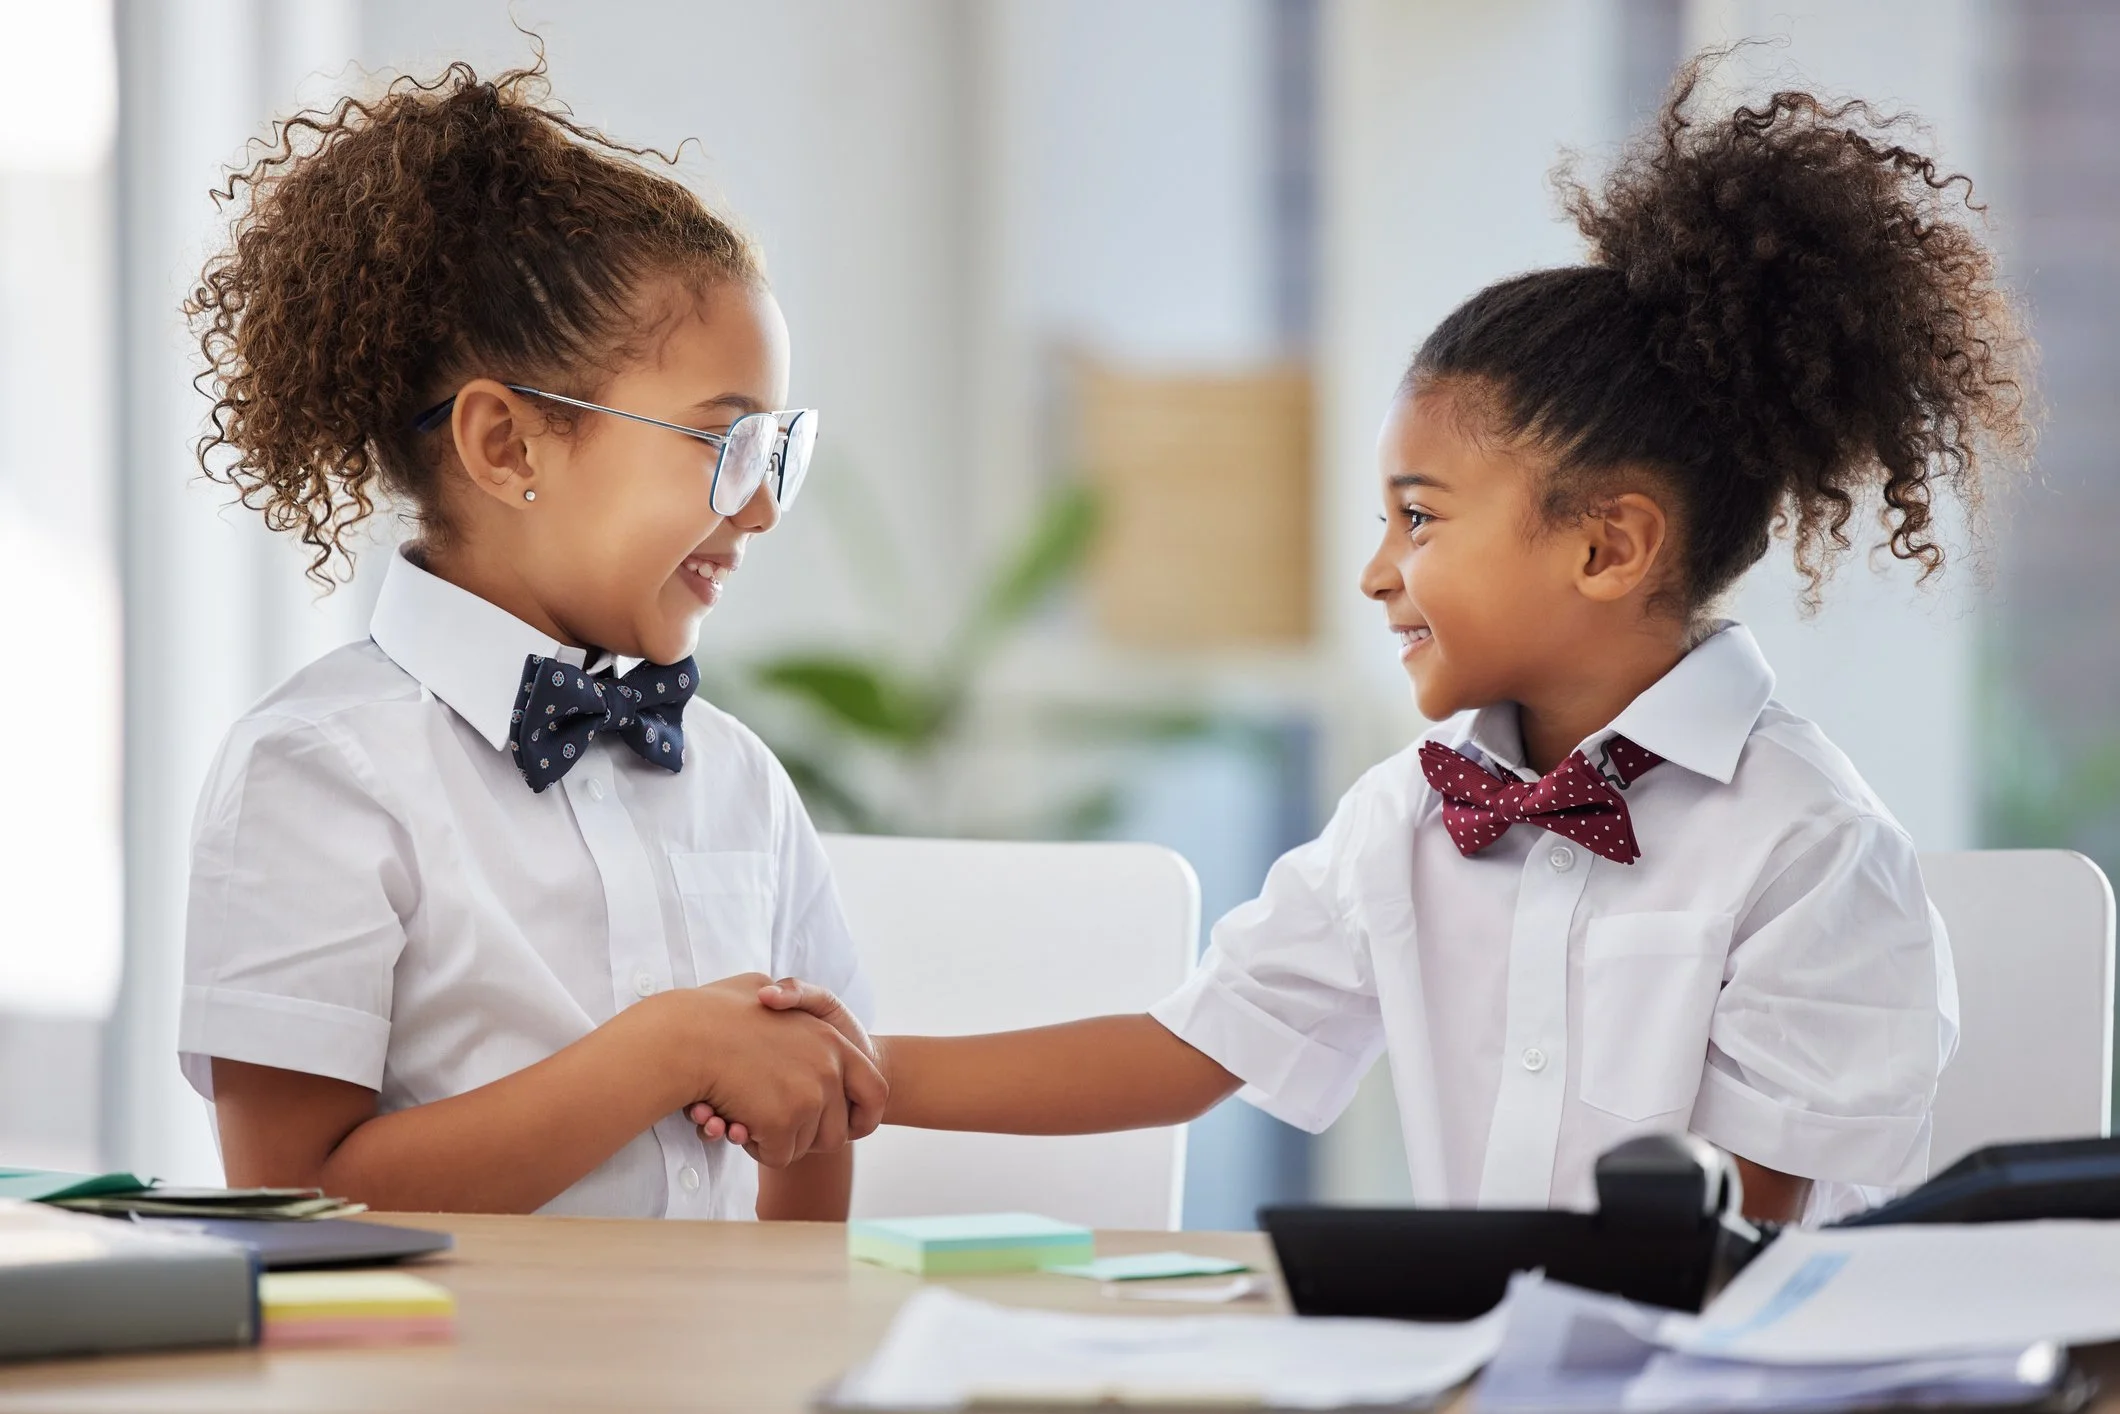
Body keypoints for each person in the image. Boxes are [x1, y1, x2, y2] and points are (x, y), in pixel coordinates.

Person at [695, 61, 2035, 1225]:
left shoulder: (1805, 847)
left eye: (1420, 518)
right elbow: (1191, 1046)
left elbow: (1738, 1229)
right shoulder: (1406, 814)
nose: (1377, 572)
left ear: (1609, 546)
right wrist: (863, 1065)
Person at [177, 60, 883, 1220]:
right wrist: (661, 1053)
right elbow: (294, 1198)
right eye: (723, 446)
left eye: (776, 451)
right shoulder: (316, 775)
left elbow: (816, 1114)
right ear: (506, 447)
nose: (758, 507)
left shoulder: (740, 781)